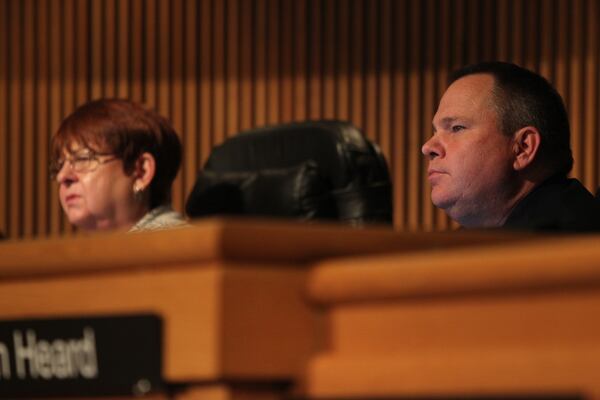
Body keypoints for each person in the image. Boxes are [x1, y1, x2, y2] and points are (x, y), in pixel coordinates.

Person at [422, 61, 600, 231]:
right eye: (435, 131)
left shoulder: (565, 248)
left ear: (523, 148)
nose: (427, 147)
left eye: (456, 128)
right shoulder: (484, 244)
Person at [51, 99, 188, 233]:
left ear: (141, 171)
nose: (62, 176)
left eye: (83, 158)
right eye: (60, 165)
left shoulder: (178, 248)